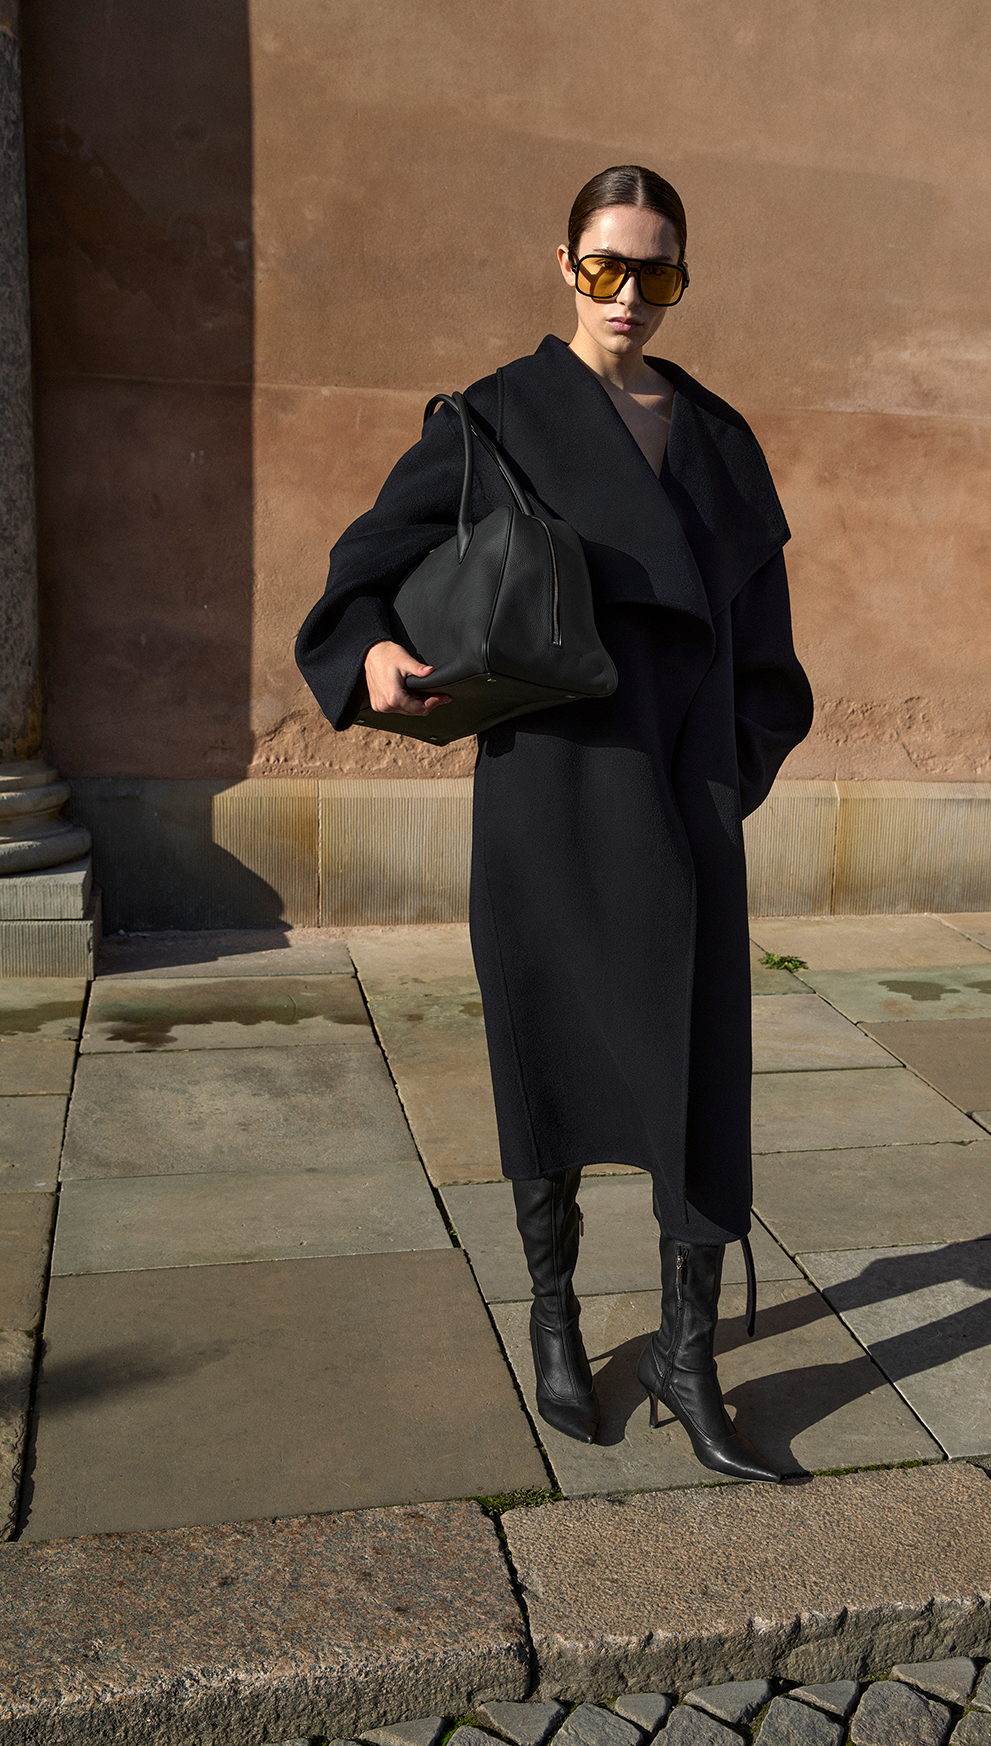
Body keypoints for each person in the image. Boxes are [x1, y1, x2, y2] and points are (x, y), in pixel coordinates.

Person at [296, 165, 813, 1482]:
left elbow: (768, 648)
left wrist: (731, 772)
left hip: (685, 805)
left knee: (700, 1074)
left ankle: (689, 1357)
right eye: (606, 267)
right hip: (549, 795)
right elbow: (366, 563)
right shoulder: (499, 416)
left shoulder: (721, 439)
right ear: (565, 265)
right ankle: (554, 1317)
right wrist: (368, 652)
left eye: (658, 272)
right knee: (548, 1062)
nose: (630, 295)